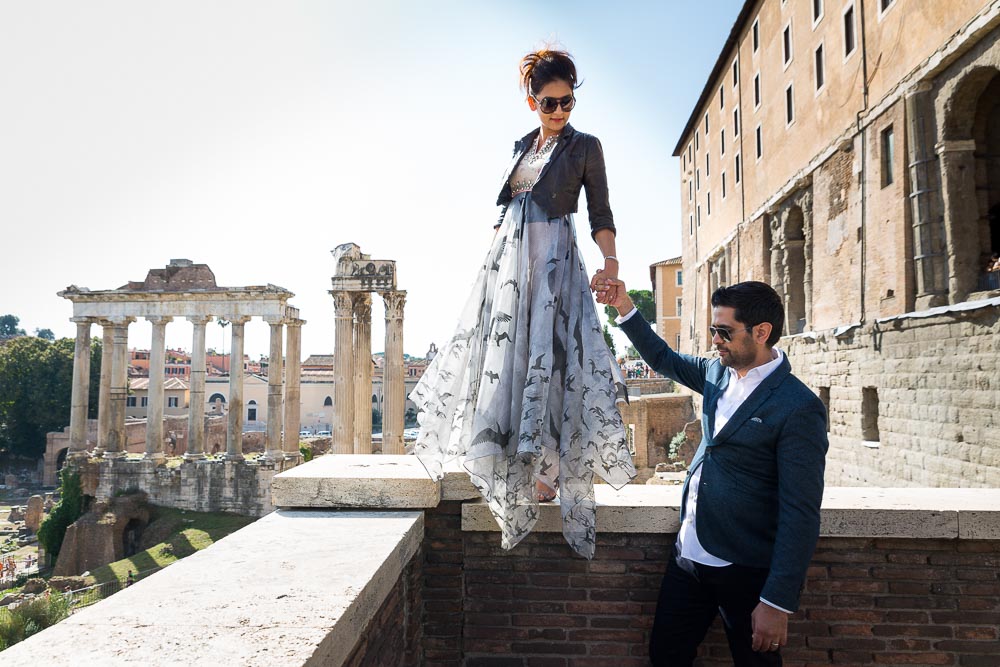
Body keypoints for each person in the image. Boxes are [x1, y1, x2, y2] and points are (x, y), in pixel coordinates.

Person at [410, 48, 635, 559]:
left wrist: (612, 263)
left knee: (554, 359)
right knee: (506, 362)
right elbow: (506, 210)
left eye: (569, 102)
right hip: (511, 271)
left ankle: (549, 470)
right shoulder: (521, 146)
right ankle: (516, 464)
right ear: (533, 102)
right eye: (551, 103)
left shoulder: (585, 146)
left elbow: (601, 211)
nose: (561, 111)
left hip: (556, 264)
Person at [598, 278, 828, 666]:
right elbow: (664, 359)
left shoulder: (798, 406)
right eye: (712, 330)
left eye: (724, 331)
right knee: (665, 658)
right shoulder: (715, 374)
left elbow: (801, 513)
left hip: (745, 569)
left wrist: (777, 601)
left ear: (762, 332)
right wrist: (625, 307)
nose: (715, 340)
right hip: (688, 558)